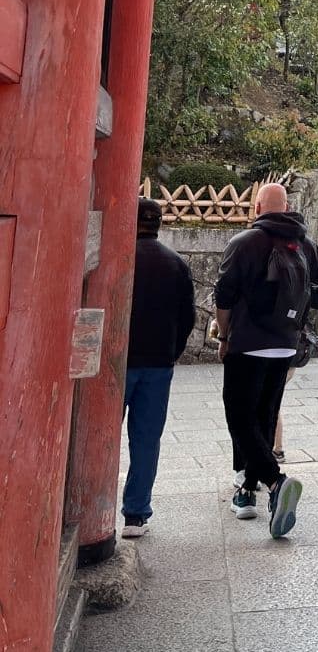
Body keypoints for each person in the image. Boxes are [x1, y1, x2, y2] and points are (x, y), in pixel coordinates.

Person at [214, 182, 318, 537]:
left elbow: (224, 295)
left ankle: (275, 482)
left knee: (239, 417)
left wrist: (224, 336)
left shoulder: (244, 242)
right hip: (285, 346)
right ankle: (247, 490)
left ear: (258, 206)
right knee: (264, 416)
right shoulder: (308, 246)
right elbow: (317, 296)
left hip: (248, 343)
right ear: (287, 206)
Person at [119, 198, 196, 538]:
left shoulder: (120, 258)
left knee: (103, 437)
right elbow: (188, 317)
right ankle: (136, 514)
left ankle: (89, 507)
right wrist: (172, 352)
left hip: (119, 361)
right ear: (159, 224)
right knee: (147, 440)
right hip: (158, 363)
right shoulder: (176, 263)